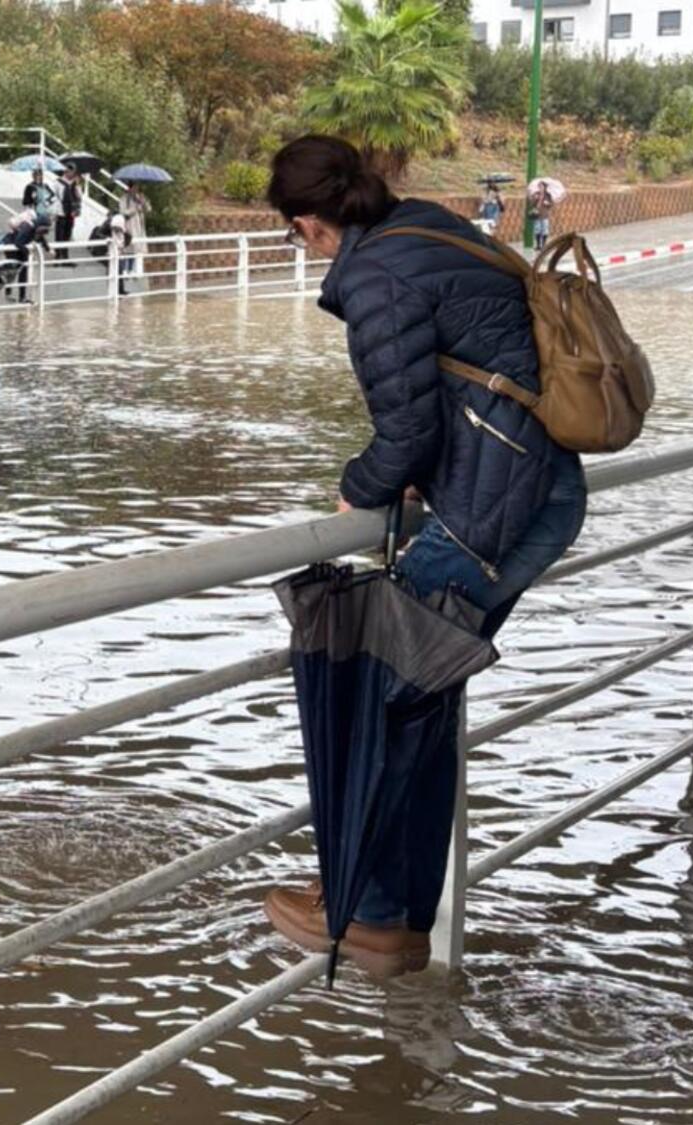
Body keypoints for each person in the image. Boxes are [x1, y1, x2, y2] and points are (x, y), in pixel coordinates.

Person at [260, 135, 586, 974]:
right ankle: (400, 911)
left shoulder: (374, 278)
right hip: (532, 485)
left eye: (297, 235)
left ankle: (368, 910)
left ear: (310, 225)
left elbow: (405, 426)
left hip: (488, 513)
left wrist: (359, 486)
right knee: (422, 706)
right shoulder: (423, 227)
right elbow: (465, 373)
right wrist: (413, 477)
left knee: (383, 697)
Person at [0, 208, 39, 302]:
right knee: (14, 271)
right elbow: (18, 242)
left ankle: (16, 295)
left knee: (19, 271)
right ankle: (14, 295)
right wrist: (27, 251)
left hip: (15, 246)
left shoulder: (27, 224)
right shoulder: (28, 226)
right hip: (14, 247)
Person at [120, 181, 152, 290]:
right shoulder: (125, 198)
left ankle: (133, 270)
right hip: (129, 227)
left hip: (139, 227)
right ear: (130, 188)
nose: (136, 190)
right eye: (134, 187)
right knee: (127, 248)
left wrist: (143, 203)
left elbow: (148, 209)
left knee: (137, 249)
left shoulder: (140, 197)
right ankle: (125, 270)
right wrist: (135, 209)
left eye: (137, 187)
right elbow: (123, 212)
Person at [55, 168, 83, 260]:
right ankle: (58, 255)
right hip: (61, 212)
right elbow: (57, 196)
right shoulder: (58, 182)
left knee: (67, 234)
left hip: (71, 213)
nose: (72, 174)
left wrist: (77, 185)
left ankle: (65, 255)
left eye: (73, 172)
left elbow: (80, 196)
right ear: (66, 172)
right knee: (59, 235)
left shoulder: (75, 184)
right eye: (70, 171)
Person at [531, 184, 555, 251]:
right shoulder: (536, 194)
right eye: (539, 186)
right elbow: (532, 204)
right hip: (537, 214)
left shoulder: (548, 195)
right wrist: (535, 199)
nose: (540, 188)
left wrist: (548, 203)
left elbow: (551, 204)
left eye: (542, 186)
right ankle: (538, 245)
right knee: (537, 229)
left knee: (544, 230)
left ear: (545, 187)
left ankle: (544, 245)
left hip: (545, 215)